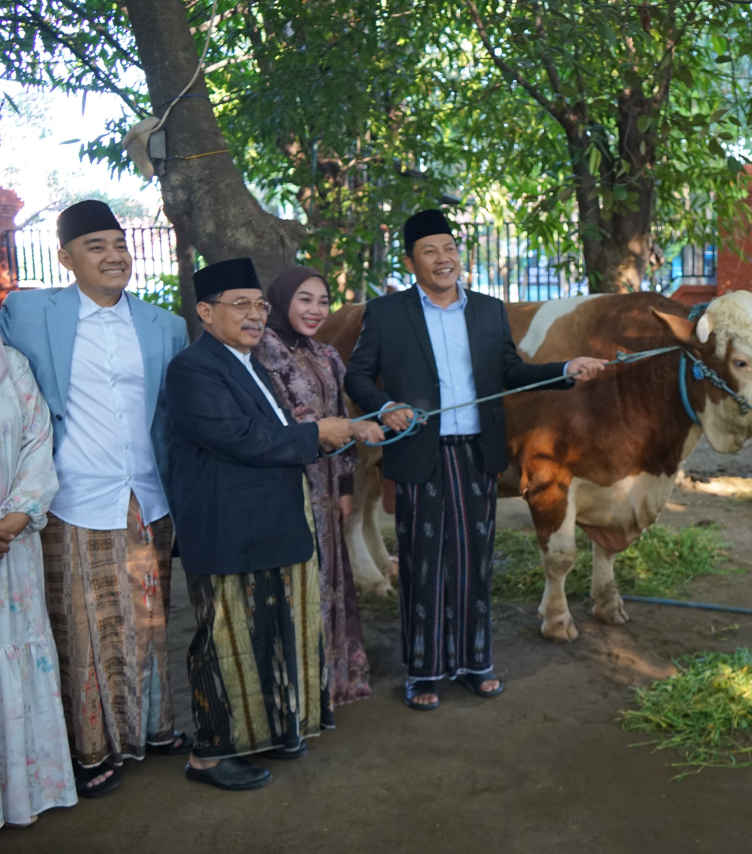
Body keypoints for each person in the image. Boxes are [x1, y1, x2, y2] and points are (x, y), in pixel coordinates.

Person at [345, 209, 608, 711]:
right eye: (430, 251)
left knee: (474, 561)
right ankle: (423, 670)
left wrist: (565, 370)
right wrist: (385, 407)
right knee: (423, 566)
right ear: (411, 261)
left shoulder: (489, 311)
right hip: (419, 453)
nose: (443, 259)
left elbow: (510, 371)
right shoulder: (386, 314)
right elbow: (357, 376)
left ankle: (474, 662)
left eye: (449, 248)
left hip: (476, 454)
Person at [0, 200, 190, 799]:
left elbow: (173, 416)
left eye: (119, 244)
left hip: (145, 495)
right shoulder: (29, 312)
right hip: (72, 496)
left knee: (148, 619)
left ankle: (154, 728)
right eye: (95, 246)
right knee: (83, 629)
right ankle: (89, 748)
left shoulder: (165, 325)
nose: (113, 256)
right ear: (65, 258)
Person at [166, 257, 372, 791]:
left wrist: (342, 430)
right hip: (227, 528)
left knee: (271, 636)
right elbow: (240, 439)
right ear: (206, 312)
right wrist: (318, 433)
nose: (256, 315)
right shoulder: (193, 369)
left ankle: (267, 733)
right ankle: (209, 754)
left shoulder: (250, 363)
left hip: (272, 521)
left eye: (260, 305)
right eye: (242, 305)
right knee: (223, 640)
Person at [254, 266, 373, 706]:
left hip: (325, 489)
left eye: (323, 301)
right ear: (282, 299)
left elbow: (341, 418)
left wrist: (344, 486)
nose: (315, 309)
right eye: (305, 299)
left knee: (330, 580)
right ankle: (293, 688)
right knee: (292, 582)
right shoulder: (259, 351)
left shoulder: (326, 355)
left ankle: (330, 679)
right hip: (284, 483)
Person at [0, 336, 76, 828]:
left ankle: (22, 794)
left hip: (11, 544)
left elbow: (36, 439)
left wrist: (14, 518)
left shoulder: (11, 364)